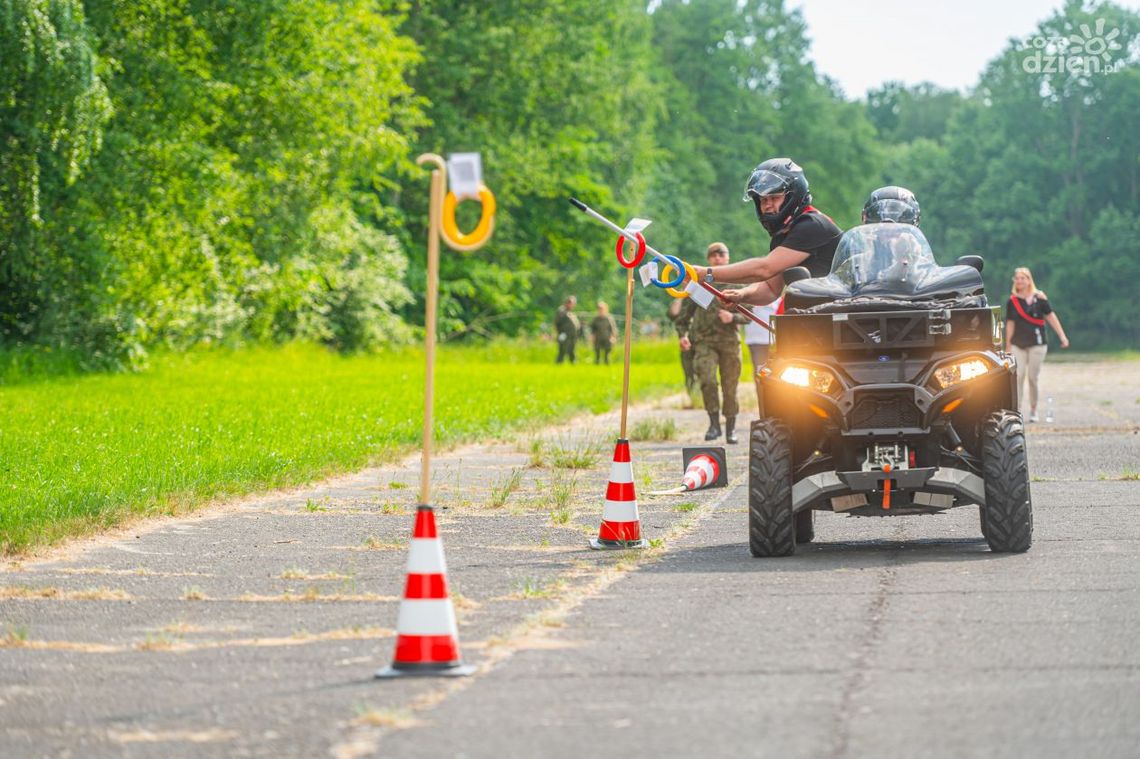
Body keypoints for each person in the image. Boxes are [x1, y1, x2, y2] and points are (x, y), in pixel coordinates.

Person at [701, 158, 844, 306]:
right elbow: (770, 289)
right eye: (763, 200)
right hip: (817, 316)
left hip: (841, 314)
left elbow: (764, 269)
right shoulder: (783, 236)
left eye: (774, 198)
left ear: (792, 197)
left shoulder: (812, 225)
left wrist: (705, 274)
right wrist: (742, 294)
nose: (767, 205)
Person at [676, 242, 749, 444]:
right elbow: (683, 316)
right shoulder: (699, 284)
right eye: (713, 255)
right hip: (704, 341)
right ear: (708, 259)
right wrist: (682, 335)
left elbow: (750, 314)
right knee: (707, 380)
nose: (717, 258)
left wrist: (733, 318)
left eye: (721, 254)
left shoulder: (737, 284)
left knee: (730, 387)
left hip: (729, 342)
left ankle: (731, 428)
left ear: (728, 257)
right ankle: (714, 424)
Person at [1005, 267, 1070, 421]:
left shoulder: (1040, 298)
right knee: (1018, 376)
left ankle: (1033, 410)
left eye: (1023, 278)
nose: (1019, 281)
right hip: (1017, 344)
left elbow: (1051, 317)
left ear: (1029, 280)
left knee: (1033, 378)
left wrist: (1062, 336)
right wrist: (1007, 345)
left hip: (1037, 344)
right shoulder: (1012, 301)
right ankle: (1018, 410)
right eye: (1017, 278)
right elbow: (1010, 324)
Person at [667, 298, 697, 392]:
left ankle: (702, 397)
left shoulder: (702, 294)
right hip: (686, 340)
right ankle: (693, 397)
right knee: (688, 372)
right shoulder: (681, 298)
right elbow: (672, 314)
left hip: (703, 339)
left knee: (704, 372)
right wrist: (680, 297)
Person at [555, 296, 580, 364]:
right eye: (571, 303)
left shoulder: (571, 313)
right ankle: (559, 364)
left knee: (572, 351)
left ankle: (573, 364)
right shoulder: (562, 311)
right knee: (562, 351)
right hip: (564, 335)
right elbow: (558, 323)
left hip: (572, 336)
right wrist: (561, 333)